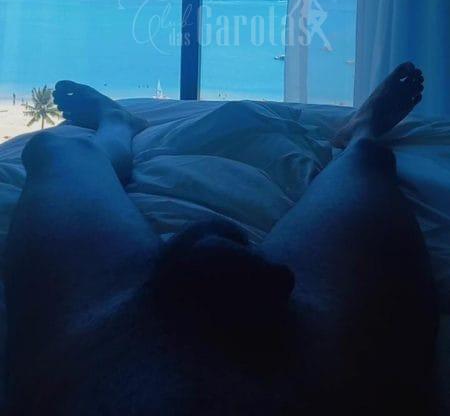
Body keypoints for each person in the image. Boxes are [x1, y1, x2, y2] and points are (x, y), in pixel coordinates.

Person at [4, 64, 438, 415]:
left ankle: (116, 124)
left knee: (58, 151)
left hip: (104, 348)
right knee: (368, 163)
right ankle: (360, 131)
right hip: (318, 361)